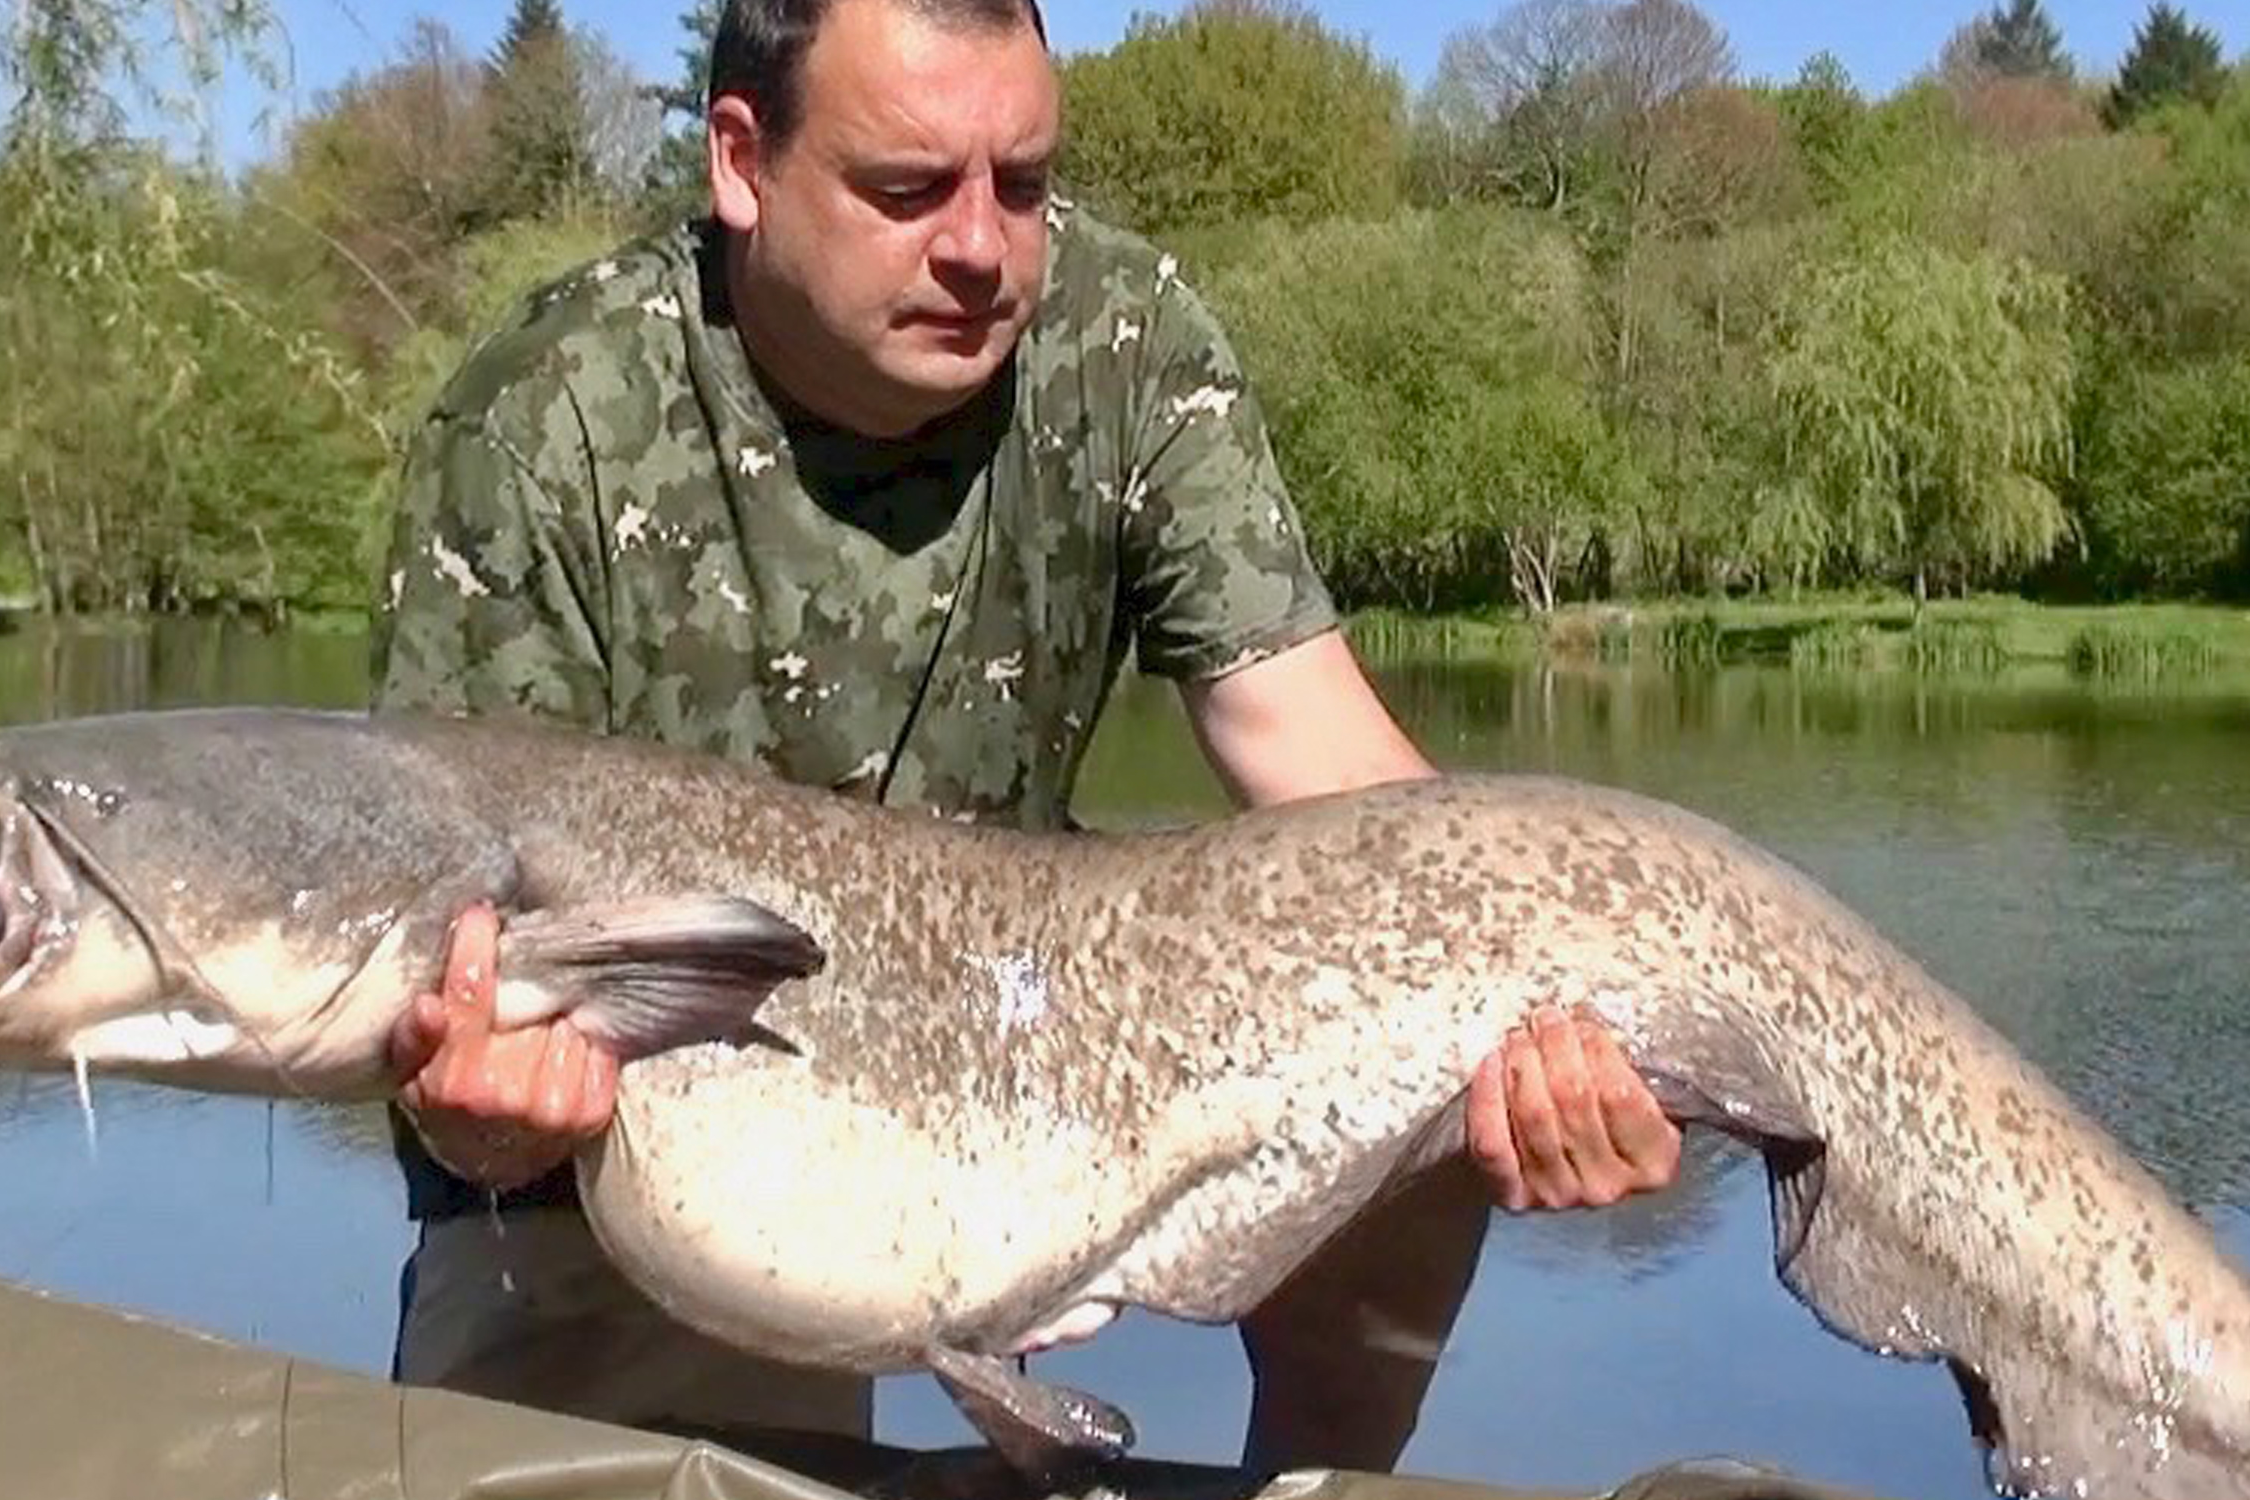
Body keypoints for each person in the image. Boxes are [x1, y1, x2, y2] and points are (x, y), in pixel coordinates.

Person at [360, 0, 1684, 1473]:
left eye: (1026, 184)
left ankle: (1324, 1484)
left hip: (1048, 1057)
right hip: (668, 1149)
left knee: (1412, 1014)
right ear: (741, 160)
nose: (983, 248)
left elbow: (1336, 774)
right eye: (908, 189)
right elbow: (458, 993)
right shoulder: (539, 427)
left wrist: (1555, 1030)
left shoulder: (1123, 334)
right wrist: (492, 1116)